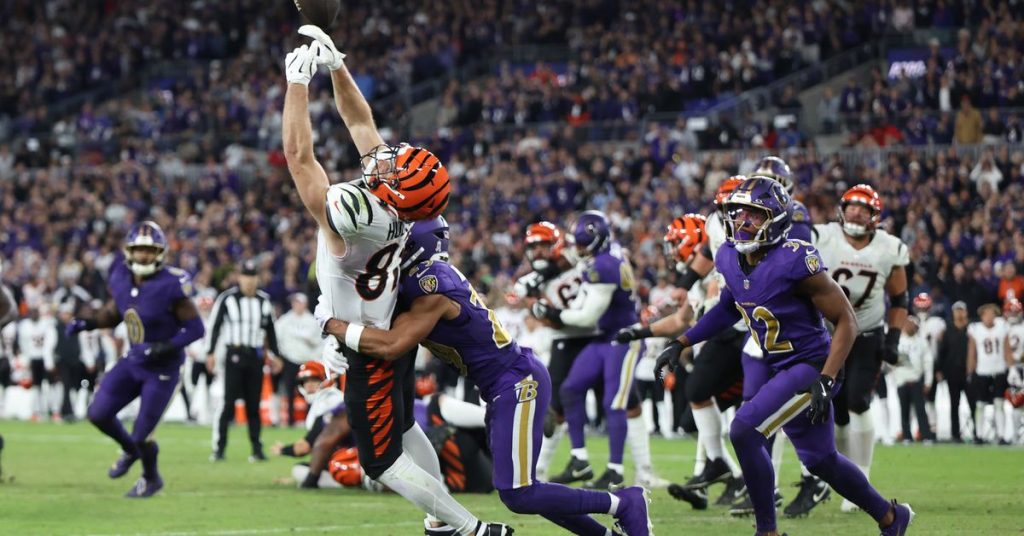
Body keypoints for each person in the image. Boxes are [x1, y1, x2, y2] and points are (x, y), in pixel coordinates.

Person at [282, 30, 505, 536]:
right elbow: (360, 122)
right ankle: (442, 519)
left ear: (395, 192)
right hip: (382, 323)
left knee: (381, 461)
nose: (386, 159)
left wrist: (297, 83)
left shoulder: (357, 214)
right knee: (405, 428)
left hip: (367, 345)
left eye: (395, 168)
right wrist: (338, 67)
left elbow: (299, 158)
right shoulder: (400, 210)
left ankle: (469, 528)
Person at [322, 216, 653, 536]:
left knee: (519, 493)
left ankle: (624, 503)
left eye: (400, 242)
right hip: (501, 384)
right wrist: (337, 337)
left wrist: (329, 323)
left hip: (515, 381)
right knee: (521, 490)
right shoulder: (423, 278)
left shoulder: (430, 285)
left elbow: (391, 344)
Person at [655, 177, 914, 536]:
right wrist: (682, 341)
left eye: (753, 215)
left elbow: (847, 321)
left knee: (744, 430)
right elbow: (729, 307)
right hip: (782, 364)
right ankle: (891, 517)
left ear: (775, 219)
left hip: (812, 366)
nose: (742, 221)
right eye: (738, 213)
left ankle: (768, 532)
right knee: (822, 460)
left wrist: (826, 378)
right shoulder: (728, 254)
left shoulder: (794, 259)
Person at [513, 222, 663, 489]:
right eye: (533, 247)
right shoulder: (533, 281)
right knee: (561, 402)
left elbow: (584, 301)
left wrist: (548, 305)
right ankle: (551, 467)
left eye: (543, 246)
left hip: (602, 334)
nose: (538, 252)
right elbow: (545, 315)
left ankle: (640, 470)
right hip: (575, 338)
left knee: (623, 402)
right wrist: (538, 301)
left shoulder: (585, 260)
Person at [616, 212, 747, 509]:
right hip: (717, 355)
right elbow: (679, 321)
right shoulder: (697, 282)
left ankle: (746, 482)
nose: (673, 251)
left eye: (677, 243)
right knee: (695, 415)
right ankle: (724, 477)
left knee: (724, 412)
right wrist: (640, 332)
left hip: (738, 351)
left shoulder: (720, 273)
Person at [67, 221, 206, 497]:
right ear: (129, 251)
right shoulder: (120, 275)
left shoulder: (171, 284)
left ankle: (151, 478)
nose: (144, 256)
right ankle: (130, 450)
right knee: (98, 414)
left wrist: (162, 348)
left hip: (163, 369)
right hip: (133, 361)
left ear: (160, 253)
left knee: (143, 434)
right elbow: (115, 313)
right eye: (140, 250)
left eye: (150, 250)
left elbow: (196, 329)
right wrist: (87, 323)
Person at [812, 183, 909, 513]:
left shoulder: (888, 248)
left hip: (866, 333)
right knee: (837, 409)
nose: (855, 212)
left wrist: (893, 338)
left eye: (863, 208)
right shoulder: (822, 236)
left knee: (858, 400)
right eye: (851, 207)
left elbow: (900, 299)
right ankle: (847, 478)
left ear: (874, 216)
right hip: (828, 334)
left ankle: (862, 477)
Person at [206, 259, 284, 462]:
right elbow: (215, 326)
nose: (249, 281)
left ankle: (256, 450)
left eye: (252, 277)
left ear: (257, 278)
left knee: (253, 405)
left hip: (255, 356)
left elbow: (271, 331)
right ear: (239, 278)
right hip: (234, 354)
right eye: (246, 276)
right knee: (228, 403)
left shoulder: (264, 300)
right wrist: (210, 352)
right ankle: (219, 449)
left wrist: (276, 355)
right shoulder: (227, 298)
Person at [967, 303, 1013, 444]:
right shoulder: (975, 329)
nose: (989, 317)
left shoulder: (1002, 327)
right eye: (986, 314)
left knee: (999, 403)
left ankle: (1001, 435)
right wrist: (970, 371)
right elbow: (972, 352)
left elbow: (1007, 349)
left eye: (992, 314)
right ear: (981, 316)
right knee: (980, 404)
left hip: (999, 370)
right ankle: (979, 435)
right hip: (982, 371)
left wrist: (1011, 368)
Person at [274, 293, 321, 426]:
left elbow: (319, 341)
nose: (296, 305)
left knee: (309, 391)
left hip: (308, 361)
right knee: (289, 391)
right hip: (289, 360)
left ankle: (309, 420)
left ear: (304, 304)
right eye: (294, 302)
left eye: (298, 302)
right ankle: (290, 420)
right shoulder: (285, 320)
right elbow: (276, 338)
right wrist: (279, 356)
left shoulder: (312, 321)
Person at [893, 317, 934, 443]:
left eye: (912, 324)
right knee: (904, 410)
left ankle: (926, 436)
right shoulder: (898, 341)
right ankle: (906, 436)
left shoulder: (922, 342)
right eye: (907, 324)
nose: (909, 326)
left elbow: (928, 363)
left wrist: (928, 381)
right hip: (902, 380)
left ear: (916, 327)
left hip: (916, 380)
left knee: (920, 410)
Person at [936, 301, 972, 442]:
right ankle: (955, 434)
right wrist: (939, 369)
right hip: (952, 372)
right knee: (954, 404)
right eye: (957, 310)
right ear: (953, 312)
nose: (959, 313)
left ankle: (978, 433)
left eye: (961, 310)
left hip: (969, 372)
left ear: (966, 312)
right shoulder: (947, 330)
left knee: (973, 403)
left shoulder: (972, 328)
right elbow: (942, 352)